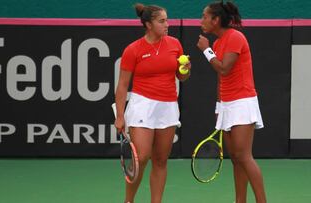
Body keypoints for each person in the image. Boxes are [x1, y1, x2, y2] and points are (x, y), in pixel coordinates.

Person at [114, 3, 191, 203]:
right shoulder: (133, 49)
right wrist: (120, 116)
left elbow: (181, 77)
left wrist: (185, 70)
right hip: (142, 104)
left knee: (160, 160)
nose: (167, 24)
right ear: (148, 24)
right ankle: (129, 200)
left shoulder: (175, 44)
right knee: (142, 157)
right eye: (162, 21)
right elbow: (122, 85)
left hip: (168, 106)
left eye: (167, 20)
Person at [196, 1, 267, 203]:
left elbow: (224, 68)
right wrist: (220, 105)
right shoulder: (219, 43)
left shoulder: (235, 37)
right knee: (235, 159)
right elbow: (222, 77)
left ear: (216, 20)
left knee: (244, 156)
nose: (201, 21)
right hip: (227, 104)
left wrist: (206, 50)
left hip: (243, 102)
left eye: (205, 17)